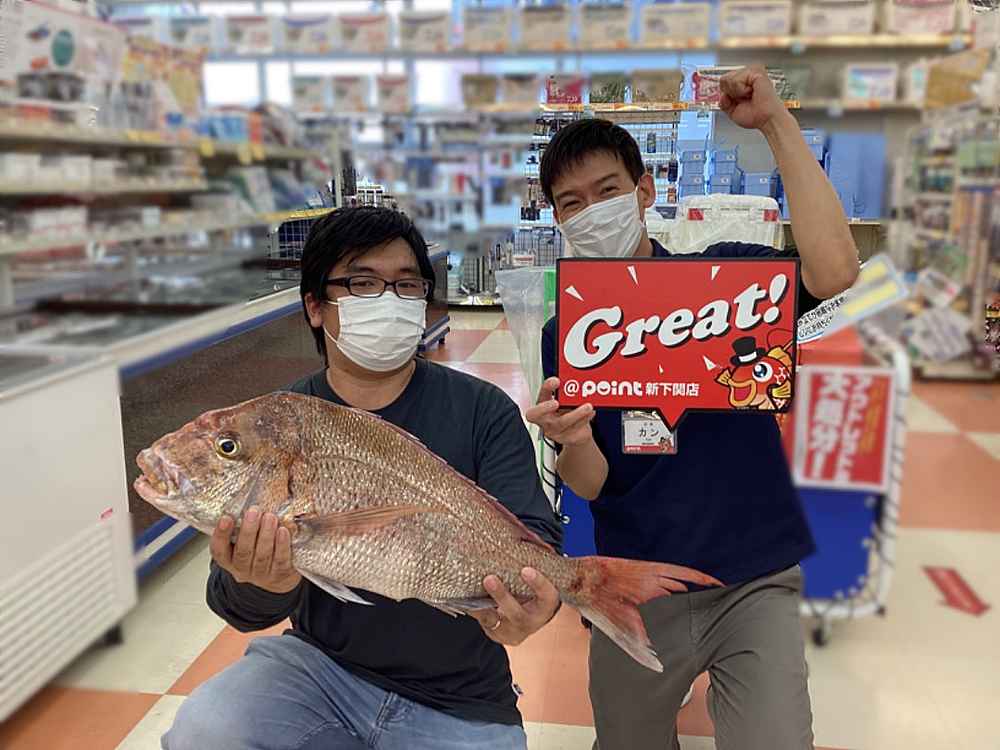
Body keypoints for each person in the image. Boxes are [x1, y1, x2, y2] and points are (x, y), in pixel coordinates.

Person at [527, 67, 860, 750]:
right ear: (558, 219)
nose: (592, 212)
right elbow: (592, 483)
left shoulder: (728, 278)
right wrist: (572, 440)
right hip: (635, 583)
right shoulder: (569, 331)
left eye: (608, 191)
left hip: (753, 574)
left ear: (645, 192)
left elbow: (834, 273)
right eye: (571, 203)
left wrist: (776, 123)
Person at [163, 206, 564, 750]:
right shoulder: (281, 420)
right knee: (204, 728)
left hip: (461, 695)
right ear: (314, 306)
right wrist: (266, 581)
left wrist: (539, 604)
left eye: (406, 285)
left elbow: (537, 541)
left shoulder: (483, 409)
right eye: (362, 283)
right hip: (322, 670)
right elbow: (235, 606)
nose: (388, 299)